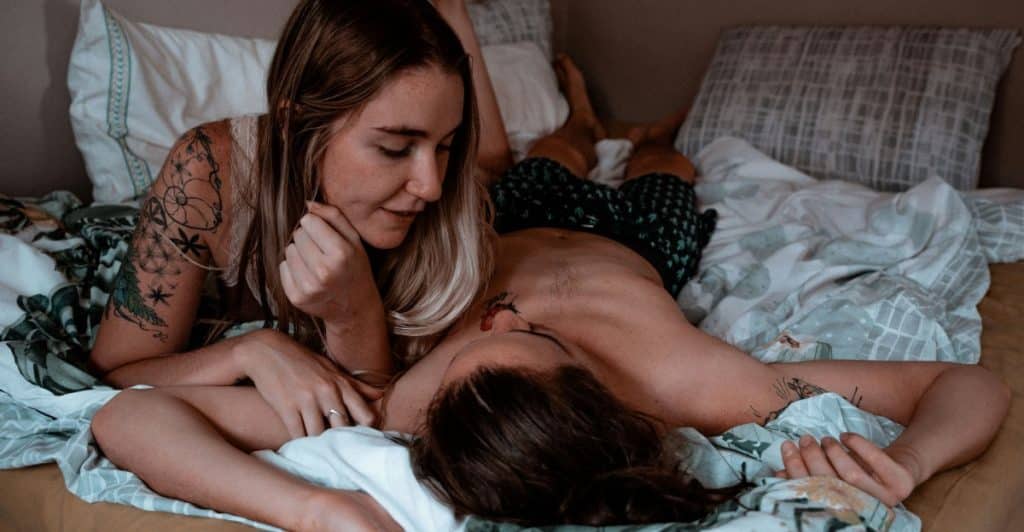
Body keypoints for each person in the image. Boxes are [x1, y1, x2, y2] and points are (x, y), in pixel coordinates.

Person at [92, 57, 1011, 531]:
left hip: (598, 232)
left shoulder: (409, 405)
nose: (503, 312)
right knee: (556, 159)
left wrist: (313, 508)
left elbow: (128, 416)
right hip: (624, 246)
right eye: (524, 334)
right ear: (588, 382)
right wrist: (914, 462)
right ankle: (589, 123)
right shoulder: (694, 385)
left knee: (656, 164)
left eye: (488, 334)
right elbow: (966, 386)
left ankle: (649, 133)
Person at [88, 0, 504, 439]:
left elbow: (374, 411)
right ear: (296, 124)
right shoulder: (207, 173)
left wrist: (354, 312)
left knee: (505, 166)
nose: (430, 186)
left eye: (445, 146)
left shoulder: (454, 202)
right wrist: (250, 352)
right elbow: (115, 373)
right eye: (395, 148)